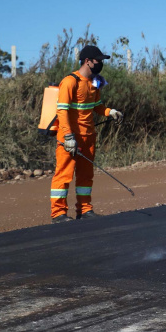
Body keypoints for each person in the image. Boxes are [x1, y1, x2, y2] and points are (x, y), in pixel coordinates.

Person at [51, 45, 123, 223]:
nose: (101, 63)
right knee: (64, 175)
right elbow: (62, 111)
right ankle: (58, 214)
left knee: (85, 176)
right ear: (87, 61)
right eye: (98, 60)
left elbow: (97, 106)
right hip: (69, 138)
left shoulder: (94, 82)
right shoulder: (70, 82)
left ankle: (84, 210)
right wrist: (68, 136)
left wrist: (109, 112)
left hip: (88, 137)